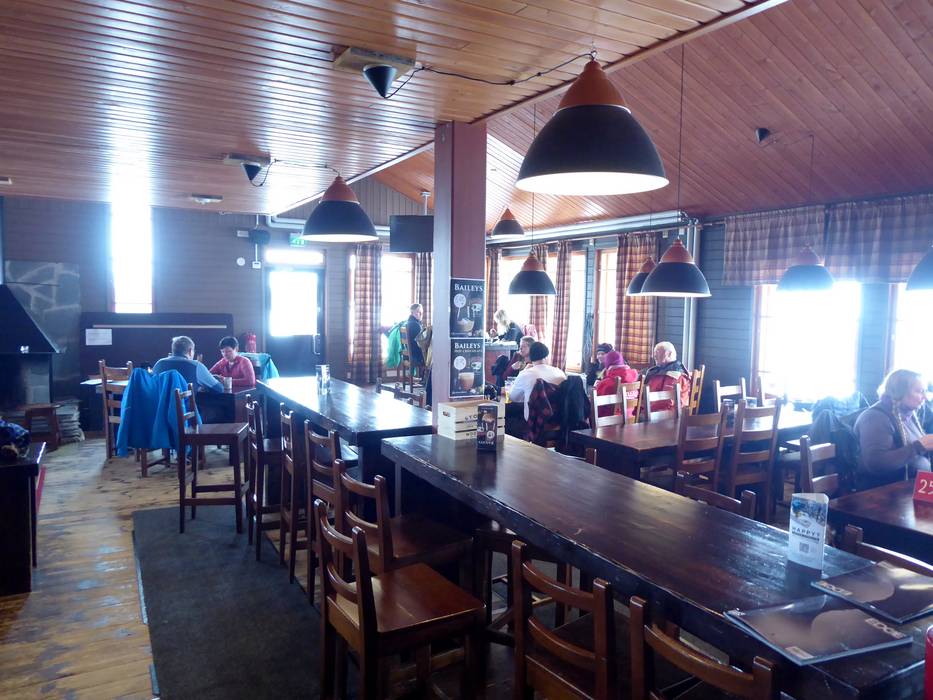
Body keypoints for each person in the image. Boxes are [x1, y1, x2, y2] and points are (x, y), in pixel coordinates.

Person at [854, 369, 933, 490]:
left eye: (925, 391)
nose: (925, 397)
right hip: (882, 493)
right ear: (899, 392)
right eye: (919, 391)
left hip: (912, 489)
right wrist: (918, 446)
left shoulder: (907, 414)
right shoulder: (875, 418)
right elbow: (876, 463)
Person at [507, 341, 567, 419]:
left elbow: (513, 397)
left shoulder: (526, 374)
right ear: (547, 355)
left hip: (536, 421)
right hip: (560, 419)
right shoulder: (560, 372)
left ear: (530, 357)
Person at [152, 335, 223, 393]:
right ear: (190, 351)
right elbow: (219, 389)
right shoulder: (196, 366)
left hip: (158, 406)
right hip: (185, 406)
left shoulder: (159, 363)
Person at [643, 341, 691, 411]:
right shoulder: (658, 370)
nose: (654, 356)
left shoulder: (674, 375)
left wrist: (644, 409)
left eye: (658, 352)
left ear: (669, 354)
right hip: (652, 407)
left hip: (667, 413)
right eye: (655, 352)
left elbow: (667, 401)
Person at [594, 351, 639, 417]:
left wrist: (596, 387)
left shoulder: (606, 383)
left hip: (609, 420)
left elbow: (597, 406)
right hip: (630, 418)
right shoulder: (634, 379)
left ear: (607, 363)